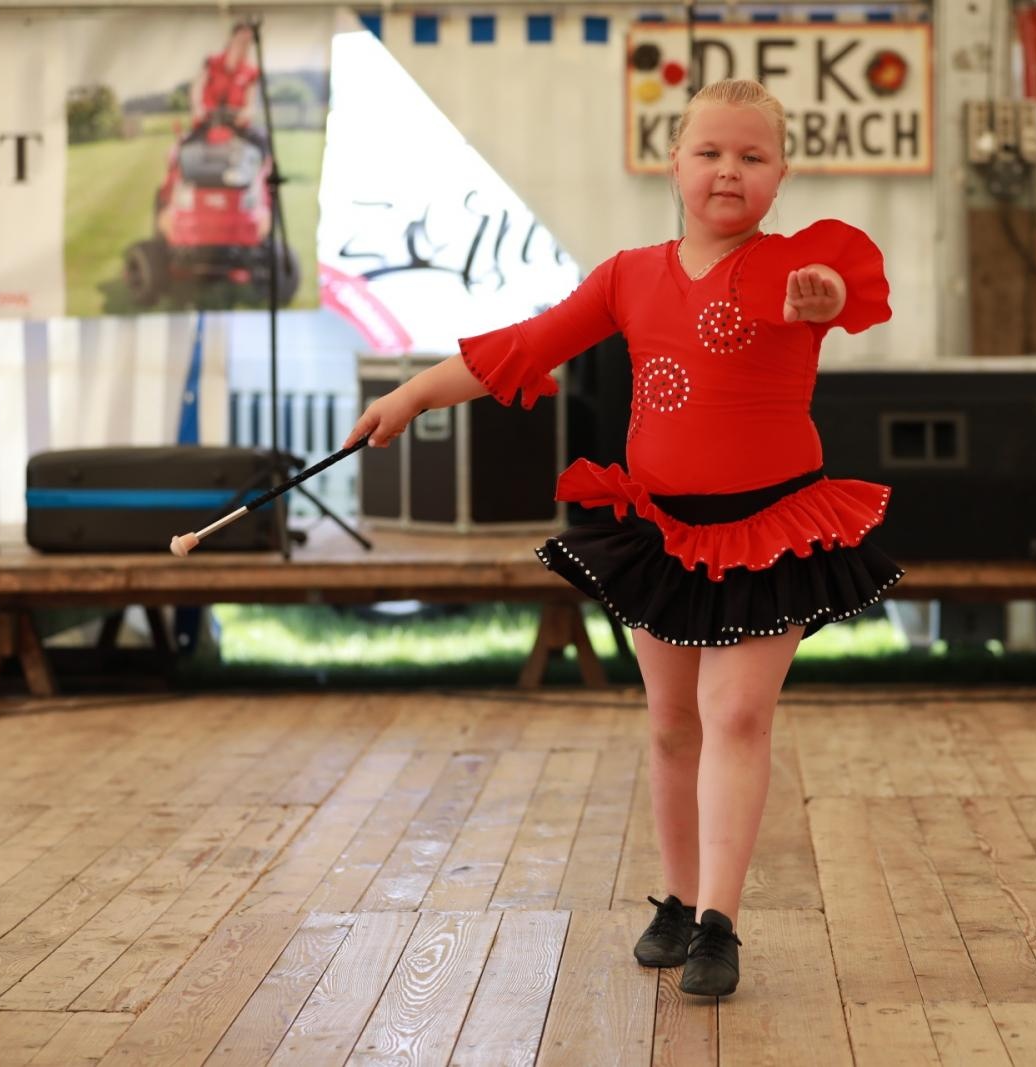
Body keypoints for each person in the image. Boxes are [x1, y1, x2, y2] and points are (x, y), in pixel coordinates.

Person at [345, 78, 904, 998]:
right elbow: (523, 349)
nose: (730, 170)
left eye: (752, 157)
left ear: (781, 174)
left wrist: (821, 291)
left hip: (772, 529)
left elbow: (841, 292)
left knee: (736, 715)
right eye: (711, 152)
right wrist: (408, 396)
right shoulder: (628, 276)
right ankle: (678, 900)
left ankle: (719, 921)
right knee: (671, 722)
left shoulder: (793, 269)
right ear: (674, 162)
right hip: (662, 531)